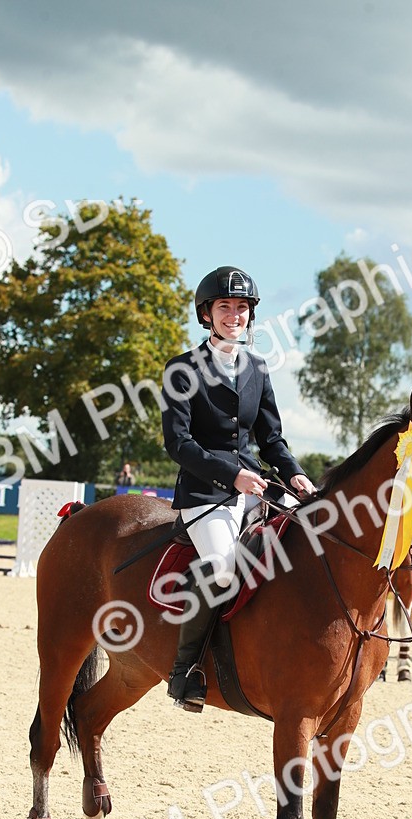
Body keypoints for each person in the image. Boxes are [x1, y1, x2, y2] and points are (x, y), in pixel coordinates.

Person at [161, 265, 316, 711]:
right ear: (206, 314)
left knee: (310, 542)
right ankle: (185, 671)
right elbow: (179, 443)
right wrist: (231, 476)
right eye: (225, 306)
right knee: (221, 568)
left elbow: (271, 439)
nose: (235, 315)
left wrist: (295, 474)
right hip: (206, 493)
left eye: (242, 307)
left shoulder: (258, 368)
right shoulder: (183, 369)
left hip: (257, 483)